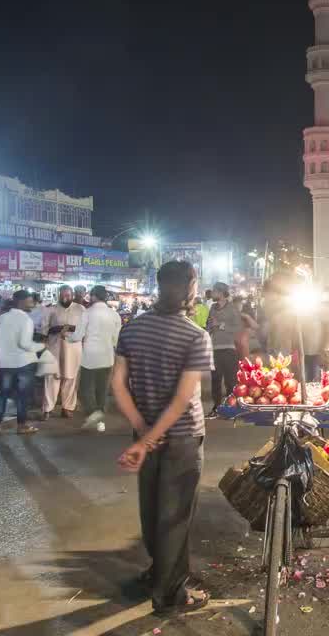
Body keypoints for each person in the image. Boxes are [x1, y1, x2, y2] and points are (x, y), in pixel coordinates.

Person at [111, 261, 212, 616]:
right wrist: (147, 440)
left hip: (147, 435)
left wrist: (142, 431)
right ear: (190, 288)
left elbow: (117, 385)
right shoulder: (195, 336)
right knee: (175, 516)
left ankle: (157, 572)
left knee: (153, 509)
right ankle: (170, 595)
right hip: (182, 438)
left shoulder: (133, 330)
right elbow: (182, 399)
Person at [0, 290, 47, 434]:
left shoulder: (1, 318)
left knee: (3, 395)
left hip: (5, 363)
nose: (32, 304)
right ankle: (21, 425)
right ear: (21, 302)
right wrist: (42, 346)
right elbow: (25, 344)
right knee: (22, 396)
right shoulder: (26, 320)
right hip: (23, 363)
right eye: (30, 301)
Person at [69, 285, 122, 431]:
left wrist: (67, 337)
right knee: (102, 390)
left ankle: (94, 412)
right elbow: (116, 340)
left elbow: (77, 336)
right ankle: (100, 422)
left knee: (84, 389)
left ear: (93, 297)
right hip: (107, 357)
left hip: (89, 357)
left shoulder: (87, 313)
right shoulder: (114, 315)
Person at [42, 285, 86, 418]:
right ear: (58, 295)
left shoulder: (81, 309)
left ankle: (67, 407)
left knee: (70, 378)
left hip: (73, 350)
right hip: (54, 348)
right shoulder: (51, 309)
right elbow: (44, 329)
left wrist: (71, 328)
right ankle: (47, 409)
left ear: (72, 295)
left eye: (68, 295)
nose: (65, 298)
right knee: (51, 378)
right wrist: (57, 329)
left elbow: (84, 329)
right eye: (62, 295)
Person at [205, 283, 243, 416]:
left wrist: (220, 325)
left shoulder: (232, 308)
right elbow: (209, 324)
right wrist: (209, 327)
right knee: (215, 379)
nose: (212, 293)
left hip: (229, 348)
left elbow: (238, 328)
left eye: (214, 291)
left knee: (230, 380)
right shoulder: (212, 308)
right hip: (214, 348)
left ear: (221, 293)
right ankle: (216, 407)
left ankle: (231, 408)